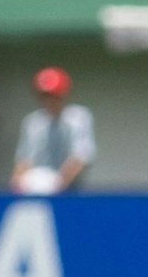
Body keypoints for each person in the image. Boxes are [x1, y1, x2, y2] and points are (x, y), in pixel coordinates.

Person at [11, 65, 94, 195]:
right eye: (44, 96)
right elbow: (24, 161)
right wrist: (17, 187)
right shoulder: (33, 122)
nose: (49, 101)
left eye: (54, 95)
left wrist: (56, 186)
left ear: (64, 95)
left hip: (69, 191)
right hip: (35, 189)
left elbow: (80, 158)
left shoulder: (78, 118)